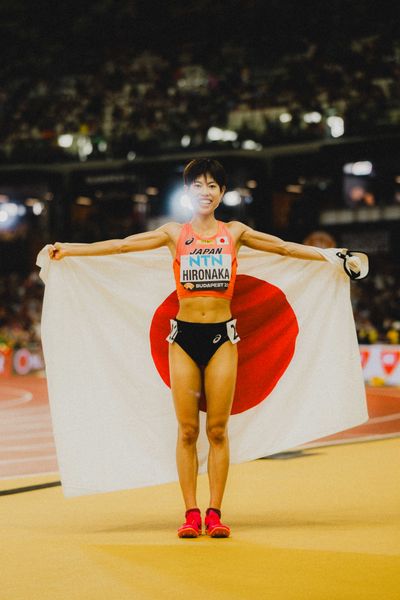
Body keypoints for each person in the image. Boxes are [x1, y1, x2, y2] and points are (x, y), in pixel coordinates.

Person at [48, 158, 361, 538]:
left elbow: (282, 249)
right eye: (198, 184)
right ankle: (189, 513)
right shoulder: (172, 234)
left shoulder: (236, 233)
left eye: (213, 185)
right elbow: (121, 246)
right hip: (182, 339)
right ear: (188, 191)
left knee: (216, 430)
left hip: (221, 339)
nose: (205, 191)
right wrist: (70, 250)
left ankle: (214, 512)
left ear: (222, 193)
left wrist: (332, 257)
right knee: (185, 431)